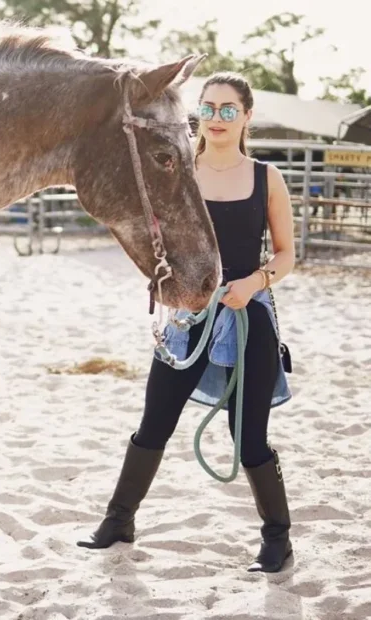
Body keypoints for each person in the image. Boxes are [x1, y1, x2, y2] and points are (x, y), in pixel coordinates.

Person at [76, 72, 296, 573]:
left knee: (250, 438)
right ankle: (118, 519)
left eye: (227, 109)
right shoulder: (179, 171)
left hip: (246, 314)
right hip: (186, 315)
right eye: (208, 108)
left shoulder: (267, 178)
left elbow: (286, 255)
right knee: (154, 422)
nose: (216, 119)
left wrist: (255, 283)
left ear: (246, 116)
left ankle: (277, 538)